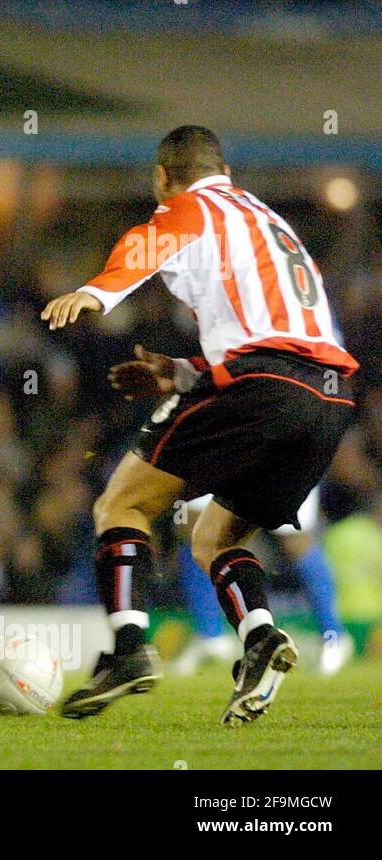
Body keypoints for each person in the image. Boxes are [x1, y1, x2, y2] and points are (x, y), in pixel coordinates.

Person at [42, 125, 357, 726]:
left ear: (163, 176)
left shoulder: (190, 207)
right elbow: (287, 330)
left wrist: (93, 293)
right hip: (328, 401)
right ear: (225, 167)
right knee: (214, 538)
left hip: (262, 385)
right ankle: (261, 640)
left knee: (120, 505)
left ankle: (128, 653)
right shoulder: (270, 220)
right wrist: (186, 373)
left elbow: (149, 242)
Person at [173, 486, 353, 677]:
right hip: (221, 456)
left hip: (283, 458)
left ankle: (333, 635)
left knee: (294, 538)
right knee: (192, 524)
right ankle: (210, 635)